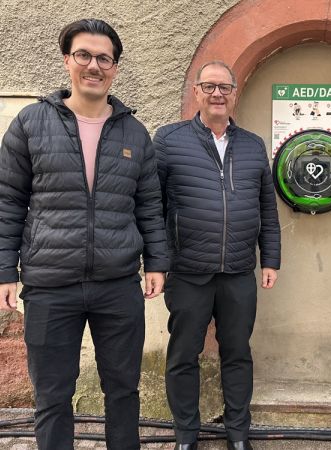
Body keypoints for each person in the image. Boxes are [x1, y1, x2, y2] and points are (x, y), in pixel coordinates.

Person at [0, 19, 168, 450]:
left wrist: (157, 262)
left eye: (104, 58)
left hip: (118, 285)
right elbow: (8, 200)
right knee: (52, 395)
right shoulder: (31, 123)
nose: (94, 65)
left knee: (124, 390)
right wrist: (4, 270)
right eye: (84, 55)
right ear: (67, 60)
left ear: (115, 68)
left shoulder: (134, 132)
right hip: (49, 284)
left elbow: (149, 204)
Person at [154, 60, 281, 450]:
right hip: (188, 271)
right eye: (209, 86)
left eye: (224, 87)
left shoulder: (253, 145)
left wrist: (270, 259)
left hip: (239, 271)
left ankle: (238, 434)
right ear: (196, 92)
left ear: (234, 93)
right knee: (183, 356)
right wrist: (156, 261)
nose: (217, 94)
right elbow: (153, 207)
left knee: (237, 354)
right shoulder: (169, 140)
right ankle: (186, 435)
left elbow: (267, 208)